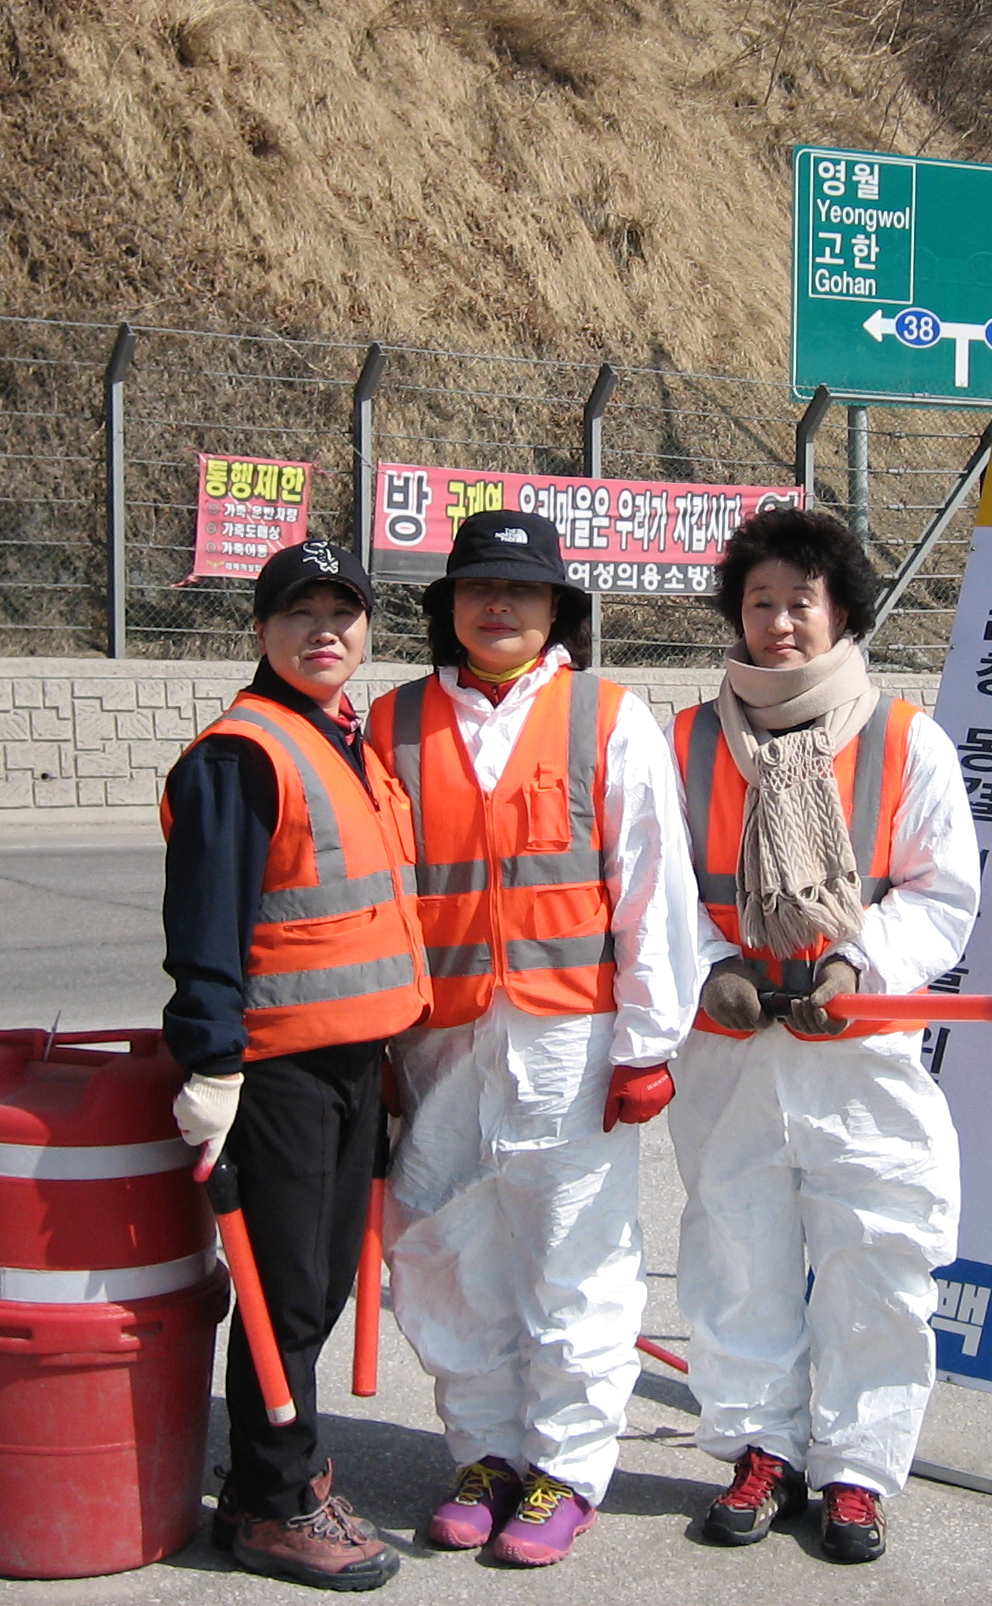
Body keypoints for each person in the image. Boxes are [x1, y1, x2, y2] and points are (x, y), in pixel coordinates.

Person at [364, 510, 702, 1569]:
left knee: (575, 1258)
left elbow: (653, 885)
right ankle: (485, 1457)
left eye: (520, 589)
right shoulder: (392, 724)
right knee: (446, 1250)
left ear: (558, 608)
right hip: (440, 1039)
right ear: (448, 608)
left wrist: (649, 1043)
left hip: (572, 1041)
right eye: (477, 588)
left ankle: (565, 1470)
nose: (498, 606)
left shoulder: (608, 718)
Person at [666, 505, 980, 1565]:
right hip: (732, 1049)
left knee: (878, 1257)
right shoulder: (686, 741)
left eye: (801, 601)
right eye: (759, 602)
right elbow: (655, 886)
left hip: (863, 1052)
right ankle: (763, 1449)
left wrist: (858, 965)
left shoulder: (905, 739)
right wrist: (713, 969)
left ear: (841, 610)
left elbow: (943, 892)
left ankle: (857, 1470)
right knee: (735, 1249)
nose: (780, 622)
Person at [159, 539, 431, 1592]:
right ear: (262, 630)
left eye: (343, 612)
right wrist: (211, 1061)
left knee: (316, 1285)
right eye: (299, 613)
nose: (325, 631)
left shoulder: (346, 742)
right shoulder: (243, 756)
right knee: (285, 1291)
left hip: (351, 1059)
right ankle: (276, 1503)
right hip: (278, 1069)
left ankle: (266, 1479)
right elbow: (208, 927)